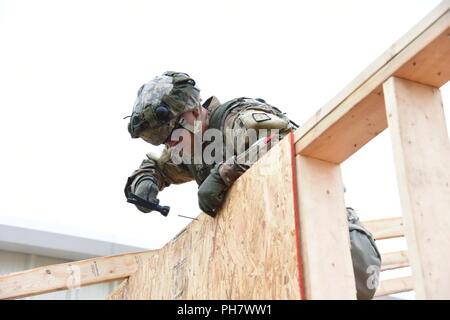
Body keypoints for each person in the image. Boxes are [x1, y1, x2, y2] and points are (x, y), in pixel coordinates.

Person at [124, 71, 381, 299]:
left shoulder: (235, 120)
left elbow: (284, 139)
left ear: (193, 112)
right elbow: (158, 166)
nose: (170, 144)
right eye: (164, 142)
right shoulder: (190, 143)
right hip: (272, 260)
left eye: (171, 136)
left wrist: (225, 173)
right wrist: (147, 180)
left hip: (331, 240)